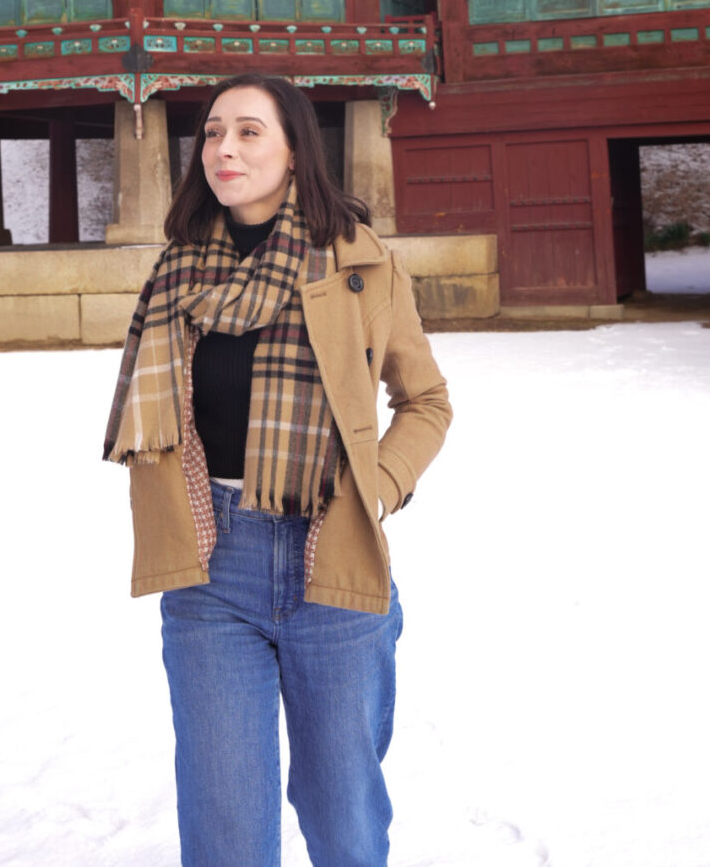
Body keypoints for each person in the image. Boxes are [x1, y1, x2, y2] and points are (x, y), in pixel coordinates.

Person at [104, 73, 451, 867]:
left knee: (344, 817)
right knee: (223, 821)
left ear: (296, 149)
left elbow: (426, 401)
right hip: (208, 563)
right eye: (214, 132)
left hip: (329, 561)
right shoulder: (177, 273)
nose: (226, 148)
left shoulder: (358, 266)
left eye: (250, 131)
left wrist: (380, 487)